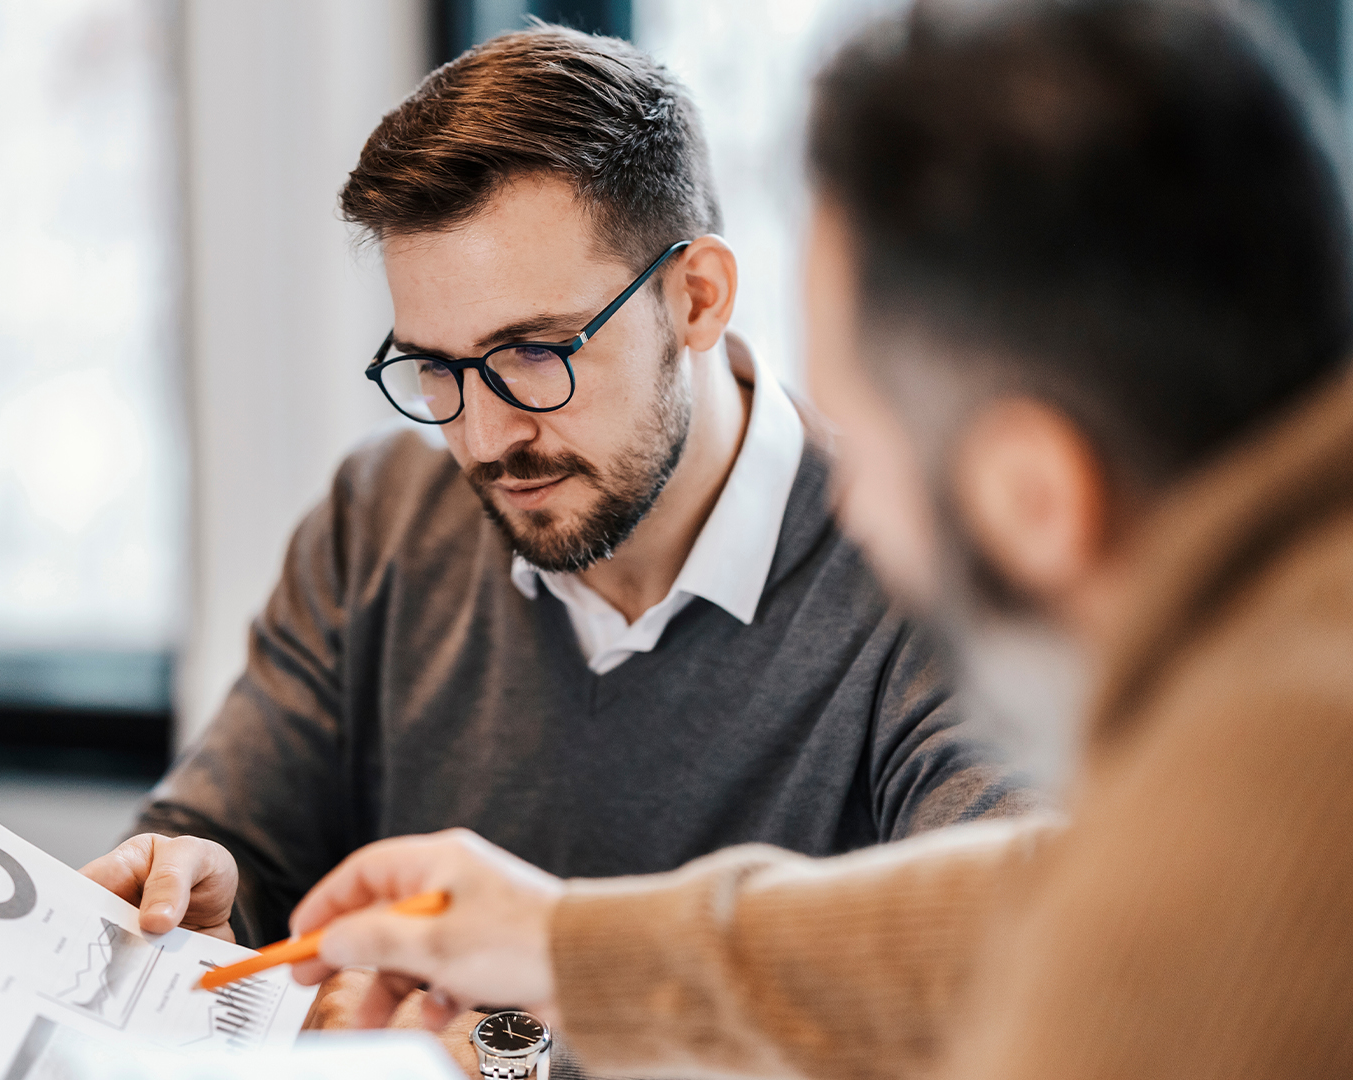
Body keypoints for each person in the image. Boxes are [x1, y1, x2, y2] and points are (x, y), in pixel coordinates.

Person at [285, 1, 1353, 1077]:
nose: (852, 514)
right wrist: (565, 948)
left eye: (872, 449)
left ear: (1037, 495)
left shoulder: (1273, 792)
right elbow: (1029, 900)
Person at [78, 24, 1035, 1071]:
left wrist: (512, 1046)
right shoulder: (381, 519)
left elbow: (999, 983)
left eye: (534, 353)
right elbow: (237, 856)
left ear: (698, 297)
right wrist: (195, 902)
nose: (486, 440)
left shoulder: (929, 569)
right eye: (435, 369)